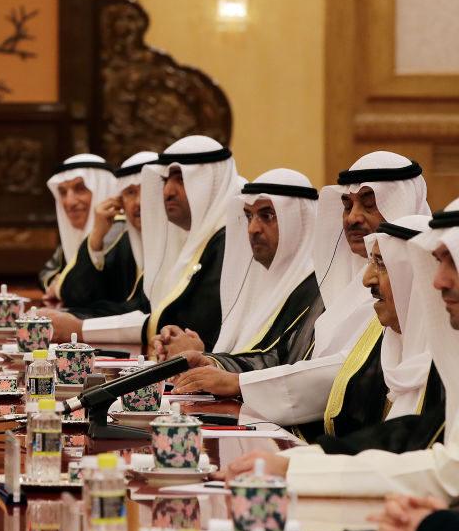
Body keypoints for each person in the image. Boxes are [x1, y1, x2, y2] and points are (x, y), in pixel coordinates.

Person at [220, 201, 459, 501]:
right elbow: (403, 436)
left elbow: (445, 471)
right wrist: (294, 464)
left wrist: (294, 469)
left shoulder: (441, 363)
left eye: (452, 263)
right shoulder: (395, 345)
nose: (437, 281)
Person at [171, 152, 430, 428]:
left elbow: (352, 371)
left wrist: (240, 382)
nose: (352, 218)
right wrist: (216, 365)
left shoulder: (410, 291)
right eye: (347, 206)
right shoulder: (336, 283)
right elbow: (282, 354)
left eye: (369, 204)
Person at [48, 135, 240, 346]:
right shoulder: (183, 242)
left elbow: (181, 324)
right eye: (165, 181)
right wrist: (71, 319)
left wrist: (81, 328)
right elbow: (136, 308)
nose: (167, 192)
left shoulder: (228, 244)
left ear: (210, 184)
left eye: (181, 179)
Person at [154, 169, 322, 364]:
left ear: (298, 221)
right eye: (249, 216)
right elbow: (247, 355)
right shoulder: (256, 283)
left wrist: (206, 359)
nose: (252, 229)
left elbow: (278, 364)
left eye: (267, 216)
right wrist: (198, 351)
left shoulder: (315, 290)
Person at [57, 151, 158, 310]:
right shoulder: (124, 242)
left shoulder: (118, 238)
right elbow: (77, 297)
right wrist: (96, 237)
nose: (69, 202)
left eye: (148, 189)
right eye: (130, 192)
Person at [38, 154, 117, 303]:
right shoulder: (74, 235)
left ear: (102, 189)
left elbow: (95, 291)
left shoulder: (120, 234)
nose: (69, 202)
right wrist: (58, 284)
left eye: (80, 189)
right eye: (63, 192)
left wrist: (62, 285)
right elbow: (46, 274)